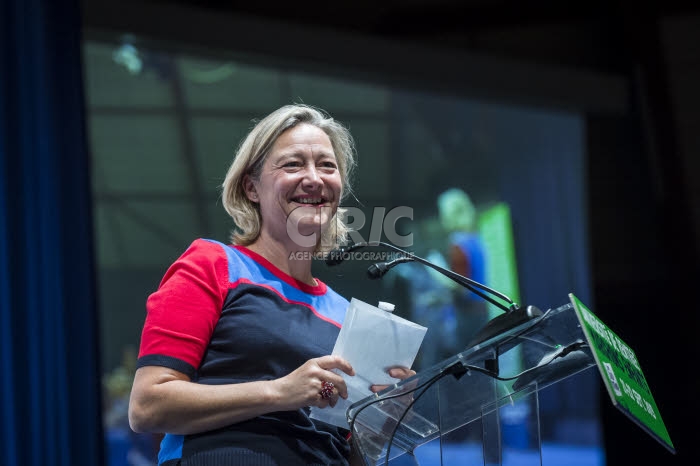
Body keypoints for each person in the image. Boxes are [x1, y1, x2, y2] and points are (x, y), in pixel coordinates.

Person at [128, 104, 415, 466]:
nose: (314, 178)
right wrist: (279, 392)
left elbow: (350, 447)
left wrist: (385, 416)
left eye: (327, 165)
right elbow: (147, 406)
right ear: (251, 187)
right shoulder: (213, 264)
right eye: (293, 164)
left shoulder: (347, 315)